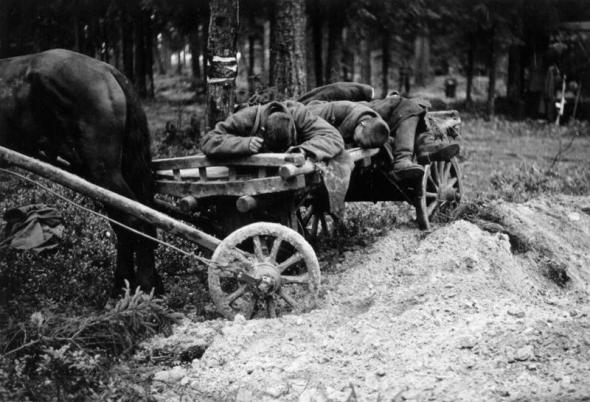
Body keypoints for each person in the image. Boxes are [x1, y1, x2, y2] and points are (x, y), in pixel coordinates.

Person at [200, 100, 345, 161]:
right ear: (262, 131)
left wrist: (304, 150)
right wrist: (244, 143)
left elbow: (334, 137)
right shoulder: (248, 118)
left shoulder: (300, 115)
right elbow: (208, 140)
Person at [304, 100, 390, 148]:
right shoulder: (344, 114)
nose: (358, 144)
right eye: (359, 141)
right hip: (312, 115)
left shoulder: (372, 120)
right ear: (362, 125)